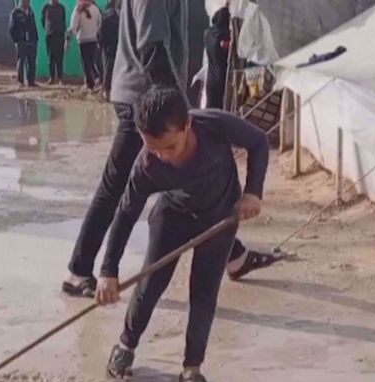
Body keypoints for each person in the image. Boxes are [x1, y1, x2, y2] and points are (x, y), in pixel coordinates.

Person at [62, 0, 281, 298]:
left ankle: (233, 255)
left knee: (190, 178)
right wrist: (177, 112)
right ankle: (79, 269)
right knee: (118, 188)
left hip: (144, 96)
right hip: (145, 103)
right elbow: (152, 49)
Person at [95, 87, 266, 382]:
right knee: (150, 284)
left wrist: (253, 192)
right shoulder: (147, 164)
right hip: (172, 216)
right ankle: (126, 345)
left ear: (187, 125)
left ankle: (192, 369)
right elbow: (125, 214)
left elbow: (258, 142)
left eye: (170, 146)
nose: (163, 156)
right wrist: (108, 271)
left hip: (219, 218)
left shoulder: (214, 125)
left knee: (203, 295)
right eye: (154, 149)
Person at [68, 0, 102, 90]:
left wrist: (73, 34)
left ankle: (92, 81)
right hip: (94, 39)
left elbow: (73, 25)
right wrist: (96, 32)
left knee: (86, 62)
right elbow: (100, 23)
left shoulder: (78, 10)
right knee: (92, 60)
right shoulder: (96, 9)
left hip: (83, 39)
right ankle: (93, 81)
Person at [203, 6, 230, 109]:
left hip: (211, 78)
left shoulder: (207, 34)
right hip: (221, 78)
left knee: (210, 105)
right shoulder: (223, 36)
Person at [9, 0, 38, 88]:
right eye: (26, 1)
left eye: (29, 1)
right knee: (21, 62)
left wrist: (36, 38)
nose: (28, 2)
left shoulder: (31, 11)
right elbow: (11, 28)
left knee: (32, 62)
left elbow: (33, 25)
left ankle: (31, 82)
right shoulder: (15, 13)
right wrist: (16, 41)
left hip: (32, 42)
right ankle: (20, 82)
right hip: (21, 41)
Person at [98, 0, 120, 99]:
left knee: (107, 69)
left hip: (107, 47)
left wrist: (100, 44)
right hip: (117, 46)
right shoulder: (120, 17)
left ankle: (107, 92)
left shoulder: (105, 17)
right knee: (115, 69)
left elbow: (100, 33)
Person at [41, 0, 67, 85]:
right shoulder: (46, 8)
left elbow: (63, 20)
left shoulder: (61, 8)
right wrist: (48, 29)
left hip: (60, 36)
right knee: (51, 58)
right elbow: (42, 21)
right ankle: (51, 78)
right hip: (50, 36)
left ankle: (60, 78)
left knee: (60, 58)